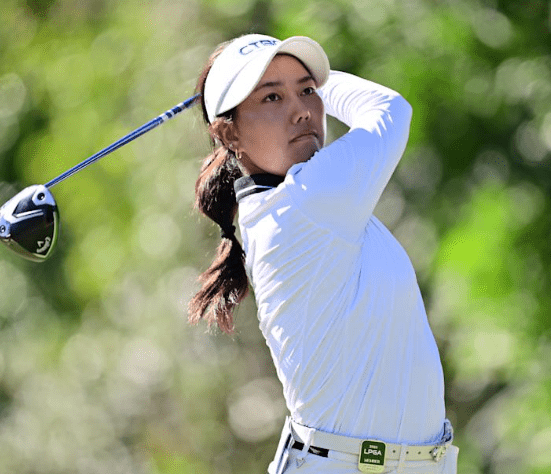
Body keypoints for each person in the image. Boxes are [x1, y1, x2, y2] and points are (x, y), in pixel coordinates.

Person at [188, 33, 458, 474]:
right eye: (271, 97)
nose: (302, 111)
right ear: (229, 132)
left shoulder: (303, 199)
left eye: (307, 91)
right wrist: (312, 82)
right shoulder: (307, 200)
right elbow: (389, 109)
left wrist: (271, 74)